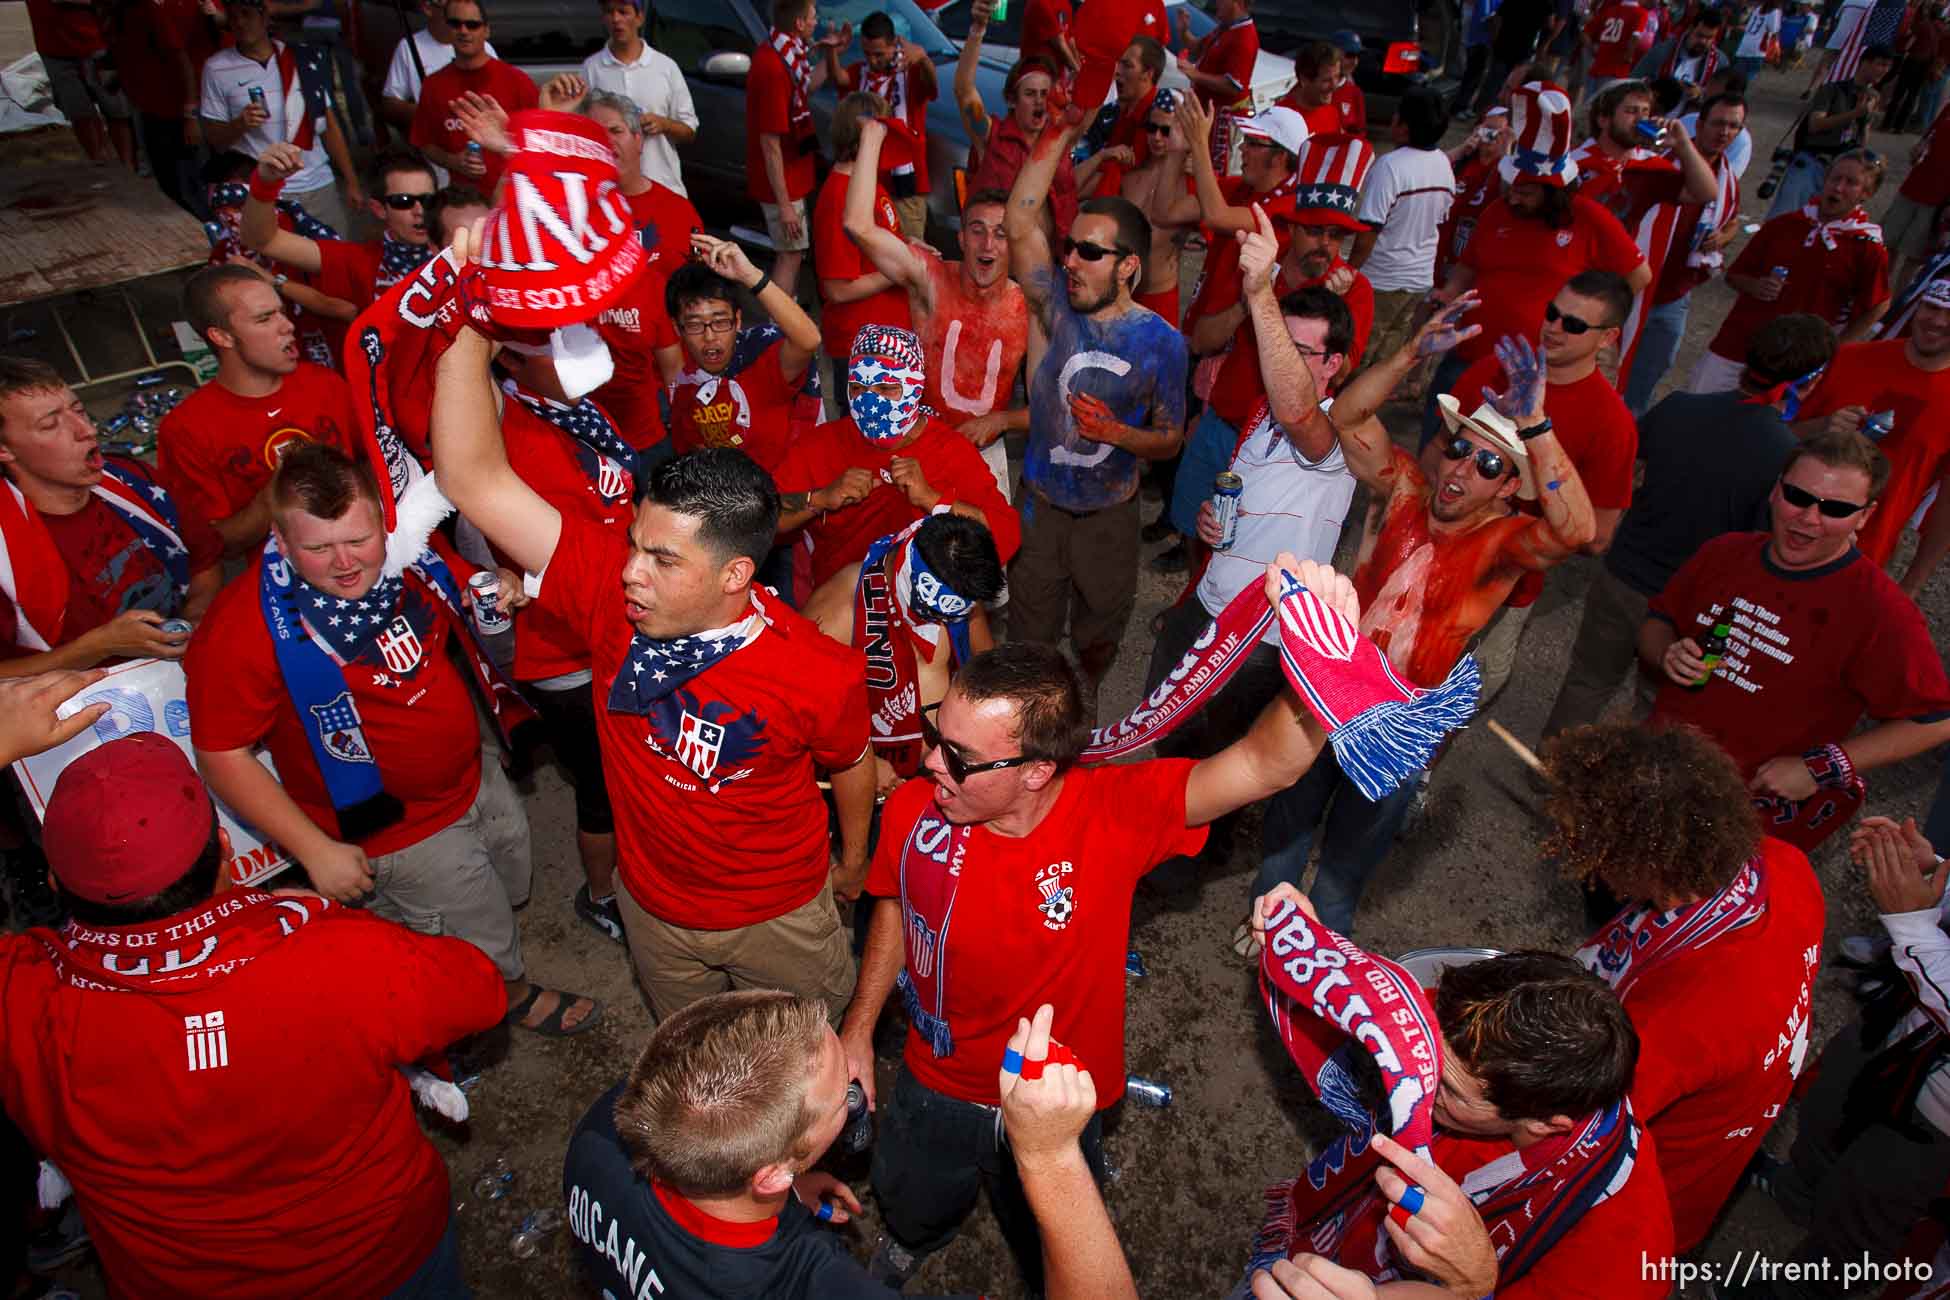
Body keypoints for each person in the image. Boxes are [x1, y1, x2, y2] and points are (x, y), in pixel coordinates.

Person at [843, 553, 1350, 1290]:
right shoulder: (923, 807)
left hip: (1054, 1095)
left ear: (1036, 771)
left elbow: (1266, 764)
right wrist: (861, 1025)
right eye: (934, 735)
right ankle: (916, 1235)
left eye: (957, 756)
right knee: (914, 1188)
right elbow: (893, 898)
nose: (927, 765)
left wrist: (1322, 656)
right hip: (934, 1074)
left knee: (1050, 1220)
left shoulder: (1114, 814)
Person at [433, 301, 876, 1023]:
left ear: (735, 576)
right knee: (693, 1059)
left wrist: (853, 860)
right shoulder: (609, 593)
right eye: (636, 543)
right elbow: (473, 479)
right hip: (655, 914)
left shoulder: (817, 668)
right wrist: (470, 313)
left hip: (780, 916)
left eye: (661, 559)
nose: (632, 571)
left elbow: (852, 759)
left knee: (805, 1070)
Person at [0, 733, 507, 1296]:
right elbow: (479, 990)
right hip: (382, 1259)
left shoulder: (23, 997)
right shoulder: (337, 955)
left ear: (54, 885)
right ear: (224, 850)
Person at [186, 441, 601, 1035]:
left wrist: (500, 584)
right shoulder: (241, 629)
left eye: (358, 539)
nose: (346, 562)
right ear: (280, 542)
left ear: (385, 522)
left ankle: (488, 960)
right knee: (472, 939)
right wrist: (313, 850)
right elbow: (220, 754)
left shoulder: (411, 558)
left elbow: (470, 591)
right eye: (318, 547)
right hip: (397, 832)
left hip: (474, 775)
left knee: (506, 882)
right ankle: (498, 999)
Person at [1259, 304, 1594, 935]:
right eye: (1460, 449)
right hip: (1326, 688)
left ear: (1509, 489)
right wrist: (1411, 354)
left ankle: (1319, 956)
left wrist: (1537, 427)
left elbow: (1578, 530)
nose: (1463, 469)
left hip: (1402, 720)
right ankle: (1268, 924)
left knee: (1346, 862)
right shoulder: (1405, 488)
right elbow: (1349, 415)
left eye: (1489, 465)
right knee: (1288, 817)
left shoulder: (1505, 546)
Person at [1242, 897, 1674, 1299]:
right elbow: (1381, 1026)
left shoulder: (1624, 1255)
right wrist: (1312, 951)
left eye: (1446, 1089)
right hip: (1331, 1229)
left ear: (1544, 1123)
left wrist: (1472, 1284)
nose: (1417, 1080)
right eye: (1425, 1050)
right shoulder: (1471, 1039)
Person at [1544, 723, 1825, 1252]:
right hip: (1718, 1125)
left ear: (1637, 866)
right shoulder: (1787, 866)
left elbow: (1569, 1123)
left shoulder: (1678, 1020)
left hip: (1649, 1182)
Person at [1639, 431, 1950, 848]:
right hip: (1651, 775)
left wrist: (1821, 768)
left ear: (1865, 517)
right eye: (1798, 496)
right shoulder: (1725, 552)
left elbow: (1935, 720)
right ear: (1775, 490)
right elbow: (1657, 620)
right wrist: (1666, 653)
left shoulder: (1880, 611)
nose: (1809, 518)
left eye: (1836, 508)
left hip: (1736, 822)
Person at [1142, 226, 1358, 809]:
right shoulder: (1262, 414)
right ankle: (1164, 820)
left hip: (1257, 639)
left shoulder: (1340, 434)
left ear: (1334, 364)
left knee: (1223, 764)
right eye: (1274, 342)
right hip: (1206, 608)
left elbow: (1298, 410)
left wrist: (1260, 288)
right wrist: (1214, 522)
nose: (1277, 356)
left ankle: (1192, 855)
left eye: (1299, 350)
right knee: (1166, 730)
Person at [1541, 314, 1836, 737]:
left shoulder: (1679, 406)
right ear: (1809, 382)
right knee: (1656, 707)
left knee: (1587, 680)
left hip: (1623, 575)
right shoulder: (1786, 459)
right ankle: (1615, 798)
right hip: (1692, 607)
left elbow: (1628, 473)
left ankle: (1550, 770)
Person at [1003, 102, 1187, 713]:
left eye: (1089, 252)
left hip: (1110, 517)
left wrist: (1117, 433)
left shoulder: (1162, 342)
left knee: (1099, 636)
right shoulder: (1053, 306)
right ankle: (1031, 714)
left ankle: (1083, 701)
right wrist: (1059, 131)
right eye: (1071, 248)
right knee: (1029, 636)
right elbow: (1020, 216)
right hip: (1041, 507)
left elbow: (1170, 439)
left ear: (1128, 267)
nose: (1070, 261)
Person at [1734, 814, 1950, 1299]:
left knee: (1866, 1207)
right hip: (1896, 1025)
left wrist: (1913, 924)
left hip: (1940, 1116)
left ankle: (1804, 1291)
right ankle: (1797, 1194)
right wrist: (1935, 873)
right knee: (1826, 1112)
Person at [486, 338, 640, 945]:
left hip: (619, 621)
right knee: (600, 784)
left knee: (629, 768)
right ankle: (600, 895)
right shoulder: (508, 432)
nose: (585, 353)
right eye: (559, 344)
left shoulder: (578, 408)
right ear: (511, 360)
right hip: (559, 646)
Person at [1167, 133, 1376, 550]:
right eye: (1316, 232)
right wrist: (1254, 297)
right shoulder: (1258, 263)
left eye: (1337, 235)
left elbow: (1344, 371)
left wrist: (1329, 314)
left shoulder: (1353, 290)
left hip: (1278, 445)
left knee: (1251, 548)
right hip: (1221, 425)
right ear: (1292, 228)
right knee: (1197, 534)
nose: (1328, 246)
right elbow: (1202, 340)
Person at [1437, 270, 1638, 702]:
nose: (1554, 327)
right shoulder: (1494, 371)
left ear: (1608, 338)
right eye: (1553, 313)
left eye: (1575, 324)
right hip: (1433, 555)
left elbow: (1598, 536)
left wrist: (1513, 525)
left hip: (1507, 587)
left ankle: (1424, 768)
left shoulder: (1613, 425)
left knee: (1462, 691)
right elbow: (1438, 448)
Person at [1424, 84, 1650, 444]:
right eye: (1513, 187)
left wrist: (1589, 321)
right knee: (1437, 443)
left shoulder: (1591, 219)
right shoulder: (1497, 211)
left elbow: (1639, 275)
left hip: (1532, 376)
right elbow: (1469, 266)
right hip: (1468, 357)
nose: (1514, 196)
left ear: (1554, 191)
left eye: (1526, 192)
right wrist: (1448, 293)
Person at [845, 120, 1030, 500]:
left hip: (984, 456)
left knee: (984, 554)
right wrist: (872, 136)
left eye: (1000, 233)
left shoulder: (1029, 308)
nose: (988, 244)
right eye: (977, 230)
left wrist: (1003, 419)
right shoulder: (930, 278)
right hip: (916, 448)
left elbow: (1061, 403)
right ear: (961, 238)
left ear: (1015, 243)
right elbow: (858, 225)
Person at [0, 358, 221, 672]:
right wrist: (98, 648)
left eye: (78, 411)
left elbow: (205, 563)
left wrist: (194, 623)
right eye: (50, 424)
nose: (87, 430)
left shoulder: (133, 479)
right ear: (5, 450)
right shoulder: (4, 551)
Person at [774, 325, 1021, 591]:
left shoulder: (950, 450)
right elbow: (762, 517)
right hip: (843, 600)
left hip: (924, 599)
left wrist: (932, 499)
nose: (870, 403)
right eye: (858, 388)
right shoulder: (820, 444)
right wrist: (820, 499)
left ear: (915, 386)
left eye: (886, 388)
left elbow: (1003, 535)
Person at [157, 263, 358, 554]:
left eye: (282, 312)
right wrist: (276, 494)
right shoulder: (185, 429)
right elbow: (214, 544)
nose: (287, 326)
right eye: (265, 319)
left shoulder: (325, 383)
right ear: (222, 337)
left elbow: (372, 465)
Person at [801, 513, 1003, 793]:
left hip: (942, 767)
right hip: (874, 776)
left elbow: (986, 669)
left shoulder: (956, 584)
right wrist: (862, 761)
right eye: (934, 613)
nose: (941, 621)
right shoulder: (842, 608)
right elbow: (800, 712)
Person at [1794, 282, 1950, 593]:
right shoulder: (1849, 359)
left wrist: (1912, 586)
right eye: (1932, 307)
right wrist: (1822, 427)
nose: (1938, 321)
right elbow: (1774, 434)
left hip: (1862, 559)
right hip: (1785, 529)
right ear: (1918, 305)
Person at [1691, 148, 1890, 393]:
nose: (1838, 188)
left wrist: (1835, 348)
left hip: (1792, 366)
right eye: (1835, 178)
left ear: (1867, 193)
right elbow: (1734, 275)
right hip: (1736, 346)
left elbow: (1878, 305)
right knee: (1697, 410)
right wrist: (1755, 285)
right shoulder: (1783, 225)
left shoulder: (1866, 248)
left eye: (1851, 183)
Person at [1621, 90, 1749, 415]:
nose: (1725, 132)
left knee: (1648, 377)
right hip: (1631, 290)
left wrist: (1724, 236)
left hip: (1673, 297)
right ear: (1700, 123)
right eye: (1718, 123)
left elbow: (1731, 217)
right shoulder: (1660, 161)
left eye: (1734, 126)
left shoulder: (1728, 180)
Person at [663, 237, 823, 475]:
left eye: (720, 322)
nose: (709, 336)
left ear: (738, 321)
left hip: (789, 497)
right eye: (695, 325)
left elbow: (810, 340)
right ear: (677, 328)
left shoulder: (762, 358)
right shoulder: (685, 387)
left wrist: (750, 276)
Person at [198, 0, 358, 234]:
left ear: (264, 18)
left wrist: (351, 181)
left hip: (319, 184)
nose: (240, 23)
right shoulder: (216, 68)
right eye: (233, 17)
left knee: (334, 261)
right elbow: (214, 139)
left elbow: (328, 125)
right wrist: (240, 125)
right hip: (264, 190)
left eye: (247, 14)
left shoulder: (302, 59)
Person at [239, 144, 437, 319]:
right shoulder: (357, 261)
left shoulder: (463, 250)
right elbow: (263, 241)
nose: (419, 211)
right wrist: (265, 183)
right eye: (403, 202)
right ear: (379, 209)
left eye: (428, 200)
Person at [1350, 87, 1455, 369]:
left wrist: (1349, 272)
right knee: (1387, 363)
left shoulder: (1390, 166)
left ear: (1403, 126)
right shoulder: (1443, 163)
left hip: (1381, 281)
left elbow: (1368, 231)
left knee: (1355, 359)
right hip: (1419, 280)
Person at [748, 0, 846, 299]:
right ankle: (778, 327)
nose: (817, 22)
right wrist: (785, 206)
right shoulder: (773, 67)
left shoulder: (789, 54)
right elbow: (770, 143)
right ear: (800, 23)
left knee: (793, 251)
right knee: (790, 254)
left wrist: (832, 54)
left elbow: (806, 87)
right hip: (782, 184)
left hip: (795, 176)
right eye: (814, 17)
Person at [814, 93, 915, 379]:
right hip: (862, 346)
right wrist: (900, 269)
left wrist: (910, 247)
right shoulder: (839, 196)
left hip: (889, 338)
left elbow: (880, 242)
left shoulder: (868, 183)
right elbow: (837, 288)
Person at [958, 17, 1078, 237]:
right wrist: (977, 30)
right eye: (1030, 94)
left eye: (1045, 94)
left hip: (1049, 261)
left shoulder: (1056, 142)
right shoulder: (992, 136)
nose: (1040, 102)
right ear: (1012, 100)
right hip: (996, 255)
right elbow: (965, 93)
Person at [411, 0, 539, 195]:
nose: (464, 31)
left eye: (472, 25)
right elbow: (424, 142)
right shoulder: (433, 85)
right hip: (462, 202)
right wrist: (453, 161)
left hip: (512, 197)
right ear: (448, 29)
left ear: (486, 31)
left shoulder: (517, 81)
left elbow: (540, 143)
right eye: (455, 24)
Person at [572, 0, 697, 195]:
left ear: (639, 18)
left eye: (623, 12)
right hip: (610, 191)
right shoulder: (592, 68)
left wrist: (664, 124)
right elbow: (580, 131)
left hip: (663, 186)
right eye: (609, 12)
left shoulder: (665, 67)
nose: (616, 19)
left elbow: (690, 130)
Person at [836, 9, 938, 238]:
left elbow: (931, 86)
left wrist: (922, 58)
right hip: (869, 179)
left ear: (894, 44)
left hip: (905, 184)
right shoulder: (859, 72)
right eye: (867, 53)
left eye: (879, 54)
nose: (873, 60)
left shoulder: (910, 72)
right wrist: (833, 52)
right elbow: (841, 80)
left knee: (909, 250)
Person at [111, 0, 218, 214]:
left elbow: (181, 60)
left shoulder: (154, 8)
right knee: (172, 180)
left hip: (176, 109)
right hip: (153, 105)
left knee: (191, 184)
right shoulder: (125, 10)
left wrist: (190, 113)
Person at [1766, 42, 1893, 218]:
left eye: (1887, 66)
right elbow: (1816, 124)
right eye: (1880, 64)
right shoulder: (1832, 90)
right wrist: (1854, 113)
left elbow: (1862, 144)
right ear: (1864, 62)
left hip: (1837, 170)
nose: (1884, 70)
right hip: (1812, 162)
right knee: (1783, 218)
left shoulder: (1872, 97)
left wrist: (1864, 119)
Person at [26, 0, 134, 166]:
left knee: (116, 110)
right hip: (54, 49)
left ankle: (126, 165)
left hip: (97, 44)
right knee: (79, 112)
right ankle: (98, 162)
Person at [379, 0, 493, 142]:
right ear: (428, 8)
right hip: (436, 150)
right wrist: (426, 113)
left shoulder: (484, 47)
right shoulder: (409, 47)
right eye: (451, 8)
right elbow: (390, 105)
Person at [1077, 36, 1165, 202]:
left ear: (1148, 74)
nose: (1117, 71)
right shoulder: (1125, 109)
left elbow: (1114, 175)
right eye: (1118, 62)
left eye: (1127, 65)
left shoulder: (1157, 117)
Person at [1883, 103, 1950, 290]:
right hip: (1913, 188)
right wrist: (1917, 150)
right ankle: (1876, 299)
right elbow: (1928, 137)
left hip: (1938, 202)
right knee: (1888, 245)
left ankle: (1896, 308)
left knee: (1914, 259)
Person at [1177, 0, 1259, 120]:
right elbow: (1198, 47)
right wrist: (1183, 31)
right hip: (1206, 114)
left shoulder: (1244, 37)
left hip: (1223, 120)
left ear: (1238, 3)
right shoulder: (1226, 27)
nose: (1216, 2)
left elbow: (1233, 86)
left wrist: (1196, 75)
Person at [1632, 7, 1728, 104]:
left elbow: (1721, 99)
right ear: (1690, 29)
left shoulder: (1720, 62)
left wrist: (1700, 94)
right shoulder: (1663, 50)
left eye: (1709, 38)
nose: (1703, 42)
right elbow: (1634, 80)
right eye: (1699, 35)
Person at [1276, 41, 1343, 137]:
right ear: (1304, 80)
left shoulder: (1332, 113)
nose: (1334, 86)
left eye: (1337, 77)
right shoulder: (1279, 118)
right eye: (1326, 80)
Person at [1584, 0, 1657, 86]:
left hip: (1597, 66)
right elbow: (1635, 36)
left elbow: (1585, 33)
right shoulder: (1641, 13)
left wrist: (1592, 49)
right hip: (1616, 70)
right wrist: (1628, 56)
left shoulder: (1611, 10)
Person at [1327, 29, 1367, 135]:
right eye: (1349, 55)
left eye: (1358, 56)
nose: (1355, 62)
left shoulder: (1355, 93)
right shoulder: (1313, 87)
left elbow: (1360, 135)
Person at [1735, 0, 1784, 82]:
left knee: (1738, 75)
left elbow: (1748, 27)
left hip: (1745, 44)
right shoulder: (1775, 12)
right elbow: (1774, 30)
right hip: (1758, 48)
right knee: (1749, 75)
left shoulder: (1758, 9)